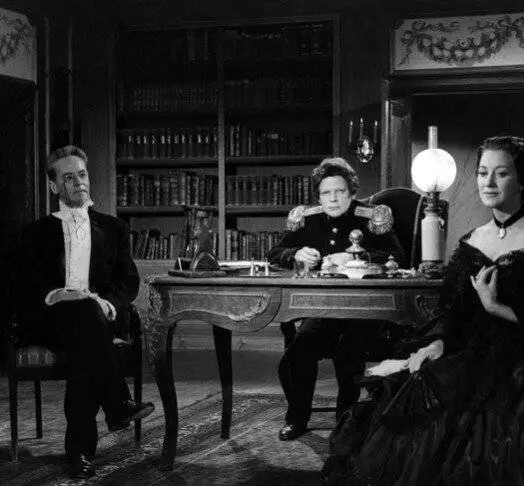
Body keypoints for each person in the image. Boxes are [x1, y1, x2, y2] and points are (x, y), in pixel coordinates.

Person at [321, 135, 524, 485]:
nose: (488, 183)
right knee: (416, 393)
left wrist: (494, 306)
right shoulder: (471, 241)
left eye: (501, 173)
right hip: (470, 350)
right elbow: (451, 311)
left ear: (522, 179)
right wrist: (437, 342)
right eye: (482, 173)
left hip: (517, 357)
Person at [12, 145, 155, 479]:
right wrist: (56, 295)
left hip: (98, 319)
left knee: (86, 329)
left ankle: (79, 454)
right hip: (50, 320)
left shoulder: (114, 228)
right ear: (53, 186)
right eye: (68, 177)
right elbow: (23, 288)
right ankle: (116, 404)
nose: (78, 182)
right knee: (85, 321)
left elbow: (128, 282)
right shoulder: (35, 233)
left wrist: (106, 303)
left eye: (82, 174)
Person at [267, 157, 404, 441]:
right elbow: (274, 254)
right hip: (323, 310)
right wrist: (296, 254)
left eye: (340, 191)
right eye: (326, 193)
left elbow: (398, 257)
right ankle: (297, 417)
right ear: (318, 196)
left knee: (348, 352)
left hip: (367, 311)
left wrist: (357, 257)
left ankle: (346, 421)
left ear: (352, 192)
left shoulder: (372, 217)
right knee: (296, 353)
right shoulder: (307, 218)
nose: (333, 198)